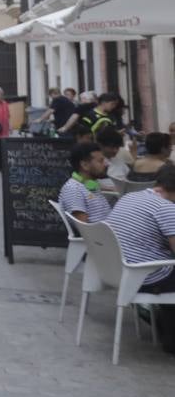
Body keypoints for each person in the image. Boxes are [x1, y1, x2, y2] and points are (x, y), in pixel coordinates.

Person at [103, 164, 175, 352]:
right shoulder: (166, 208)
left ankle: (167, 332)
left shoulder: (130, 197)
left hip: (117, 269)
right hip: (144, 276)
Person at [57, 142, 112, 224]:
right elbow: (85, 230)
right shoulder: (73, 189)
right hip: (101, 235)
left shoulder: (87, 184)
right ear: (85, 165)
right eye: (101, 161)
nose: (106, 164)